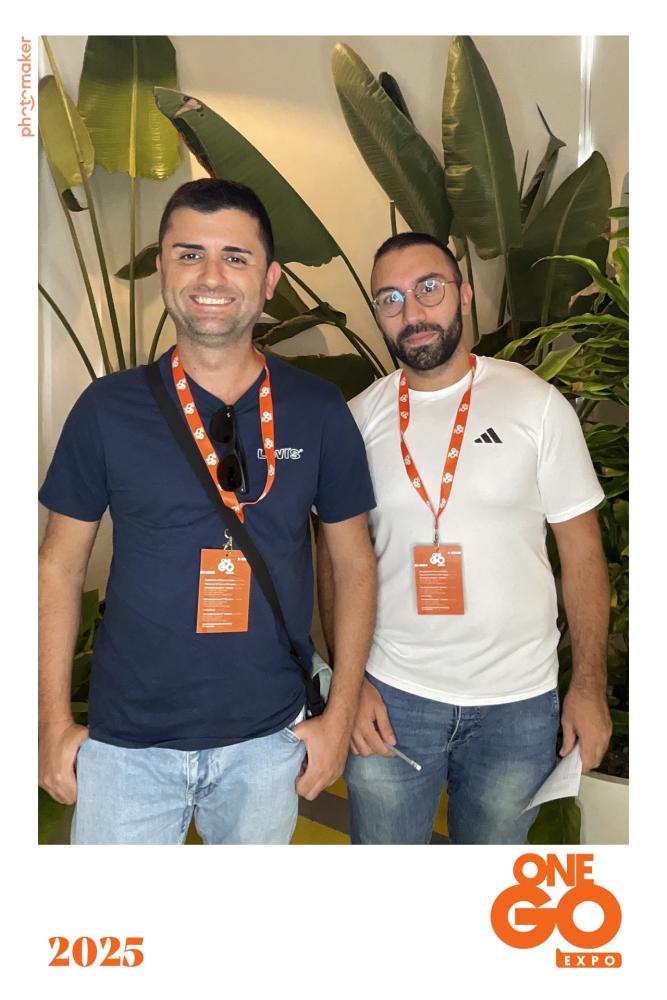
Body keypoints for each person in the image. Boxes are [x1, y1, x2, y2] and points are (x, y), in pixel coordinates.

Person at [38, 178, 377, 845]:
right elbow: (57, 568)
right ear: (163, 269)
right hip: (125, 746)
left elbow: (354, 564)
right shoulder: (106, 409)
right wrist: (51, 722)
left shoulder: (317, 408)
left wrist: (338, 718)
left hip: (268, 742)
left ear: (270, 279)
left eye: (236, 257)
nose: (211, 276)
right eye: (189, 254)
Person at [317, 231, 611, 845]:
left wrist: (588, 687)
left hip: (518, 706)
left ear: (465, 295)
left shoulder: (536, 405)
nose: (412, 312)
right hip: (393, 697)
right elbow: (333, 558)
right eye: (390, 298)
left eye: (429, 288)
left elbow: (582, 552)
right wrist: (350, 685)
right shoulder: (357, 421)